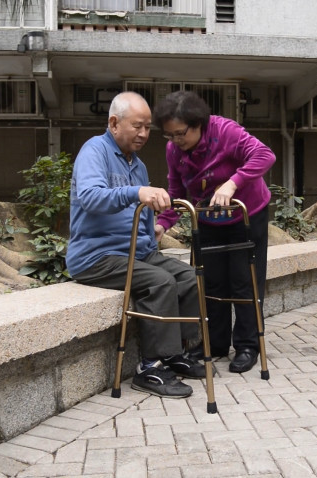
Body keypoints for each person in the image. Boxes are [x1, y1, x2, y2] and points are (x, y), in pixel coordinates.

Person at [66, 91, 205, 399]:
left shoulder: (137, 165)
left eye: (147, 128)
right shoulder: (95, 151)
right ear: (114, 123)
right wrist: (136, 192)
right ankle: (150, 367)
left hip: (136, 252)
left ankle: (175, 353)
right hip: (97, 257)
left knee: (189, 276)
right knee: (160, 282)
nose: (144, 134)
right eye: (137, 126)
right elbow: (90, 197)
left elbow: (141, 211)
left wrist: (152, 232)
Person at [153, 90, 276, 374]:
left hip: (247, 214)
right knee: (211, 283)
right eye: (169, 135)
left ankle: (247, 345)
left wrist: (233, 183)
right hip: (207, 218)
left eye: (181, 134)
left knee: (245, 281)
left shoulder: (226, 132)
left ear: (199, 124)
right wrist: (163, 223)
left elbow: (264, 155)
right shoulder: (175, 150)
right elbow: (176, 191)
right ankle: (216, 343)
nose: (175, 141)